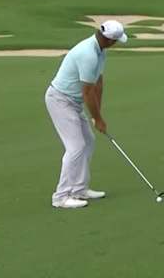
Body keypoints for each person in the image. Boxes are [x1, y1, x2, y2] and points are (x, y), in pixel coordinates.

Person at [44, 20, 128, 209]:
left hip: (72, 102)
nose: (115, 45)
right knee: (76, 147)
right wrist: (97, 118)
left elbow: (98, 82)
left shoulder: (100, 51)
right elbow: (87, 92)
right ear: (108, 40)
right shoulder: (88, 54)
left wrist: (98, 114)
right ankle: (61, 196)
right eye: (115, 41)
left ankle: (79, 189)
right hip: (60, 100)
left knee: (88, 141)